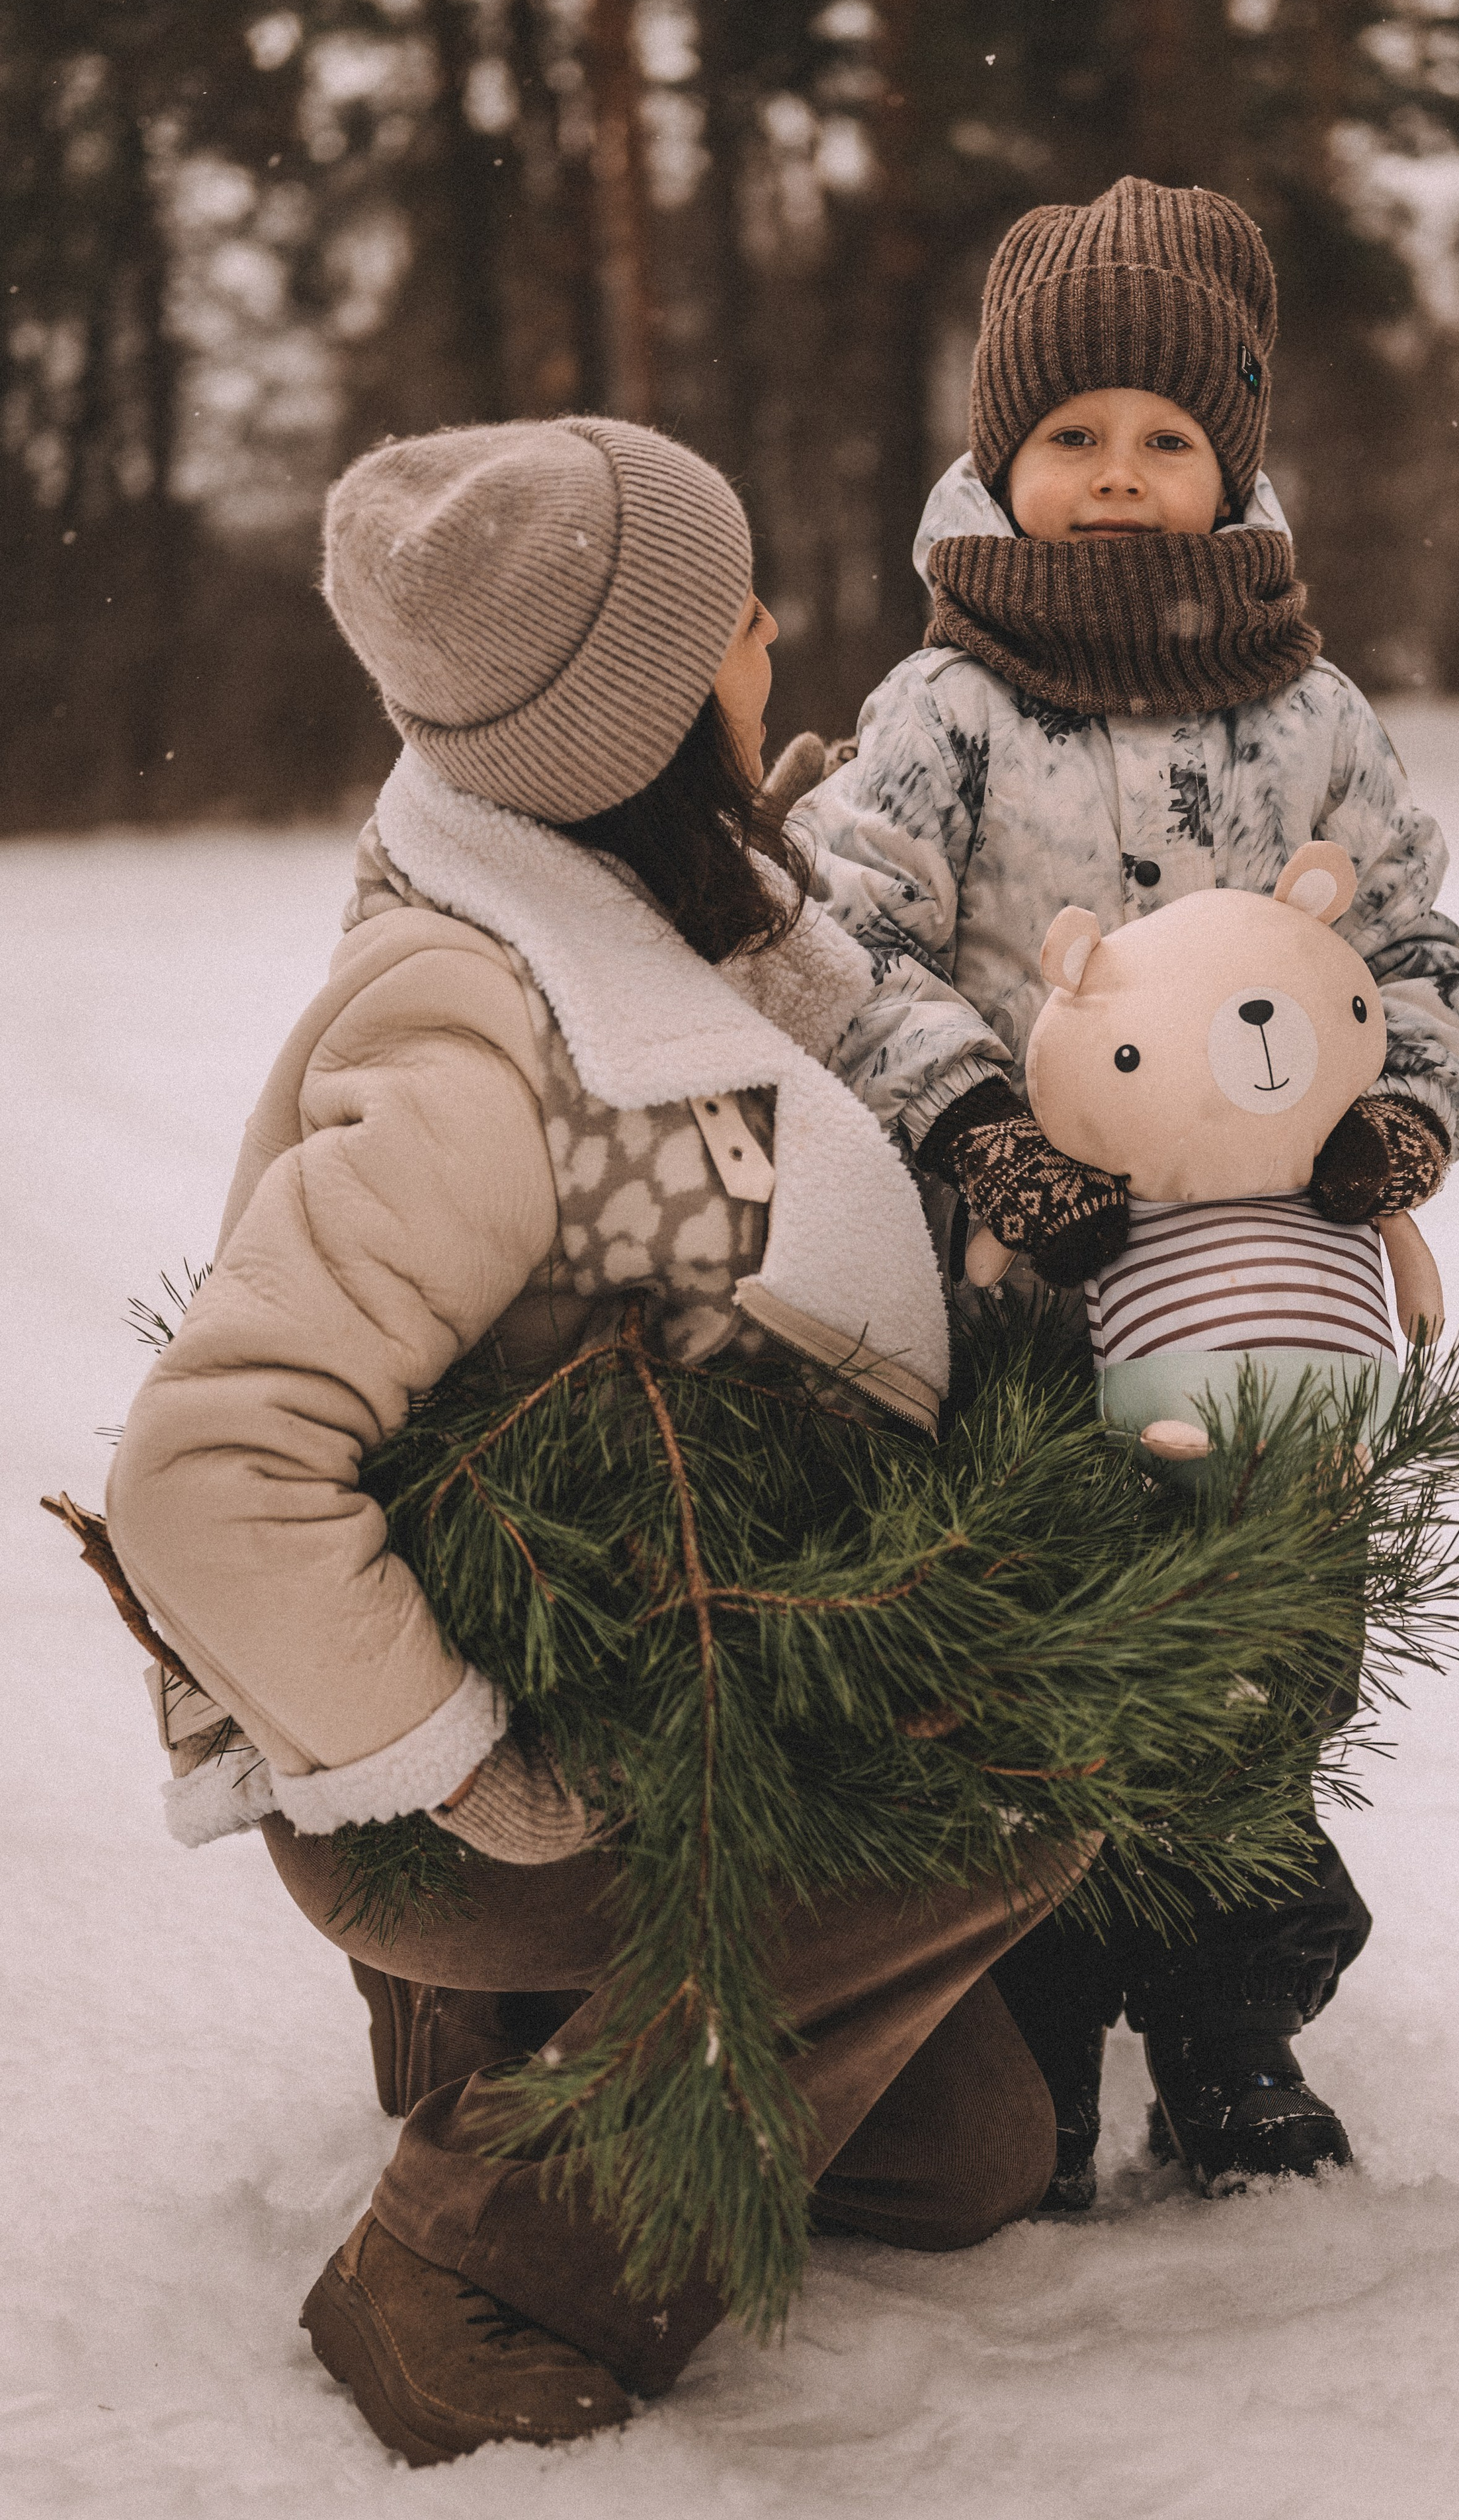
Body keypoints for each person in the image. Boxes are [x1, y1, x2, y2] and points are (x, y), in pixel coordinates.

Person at [104, 416, 1087, 2465]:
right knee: (1018, 1798)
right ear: (636, 715)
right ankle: (461, 2256)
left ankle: (500, 2034)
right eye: (728, 620)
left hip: (656, 1671)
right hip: (472, 1766)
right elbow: (207, 1469)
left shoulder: (669, 913)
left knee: (973, 2154)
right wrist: (470, 1769)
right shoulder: (472, 1023)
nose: (770, 635)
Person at [791, 174, 1459, 2204]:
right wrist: (971, 1125)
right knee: (1037, 1655)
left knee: (1265, 1648)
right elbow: (845, 941)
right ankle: (1028, 2034)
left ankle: (1230, 2014)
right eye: (1071, 436)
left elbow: (1417, 952)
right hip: (1028, 1278)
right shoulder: (949, 706)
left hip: (1270, 1296)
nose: (1117, 479)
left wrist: (1400, 1121)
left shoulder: (1314, 715)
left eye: (1166, 439)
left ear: (1233, 461)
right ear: (1002, 458)